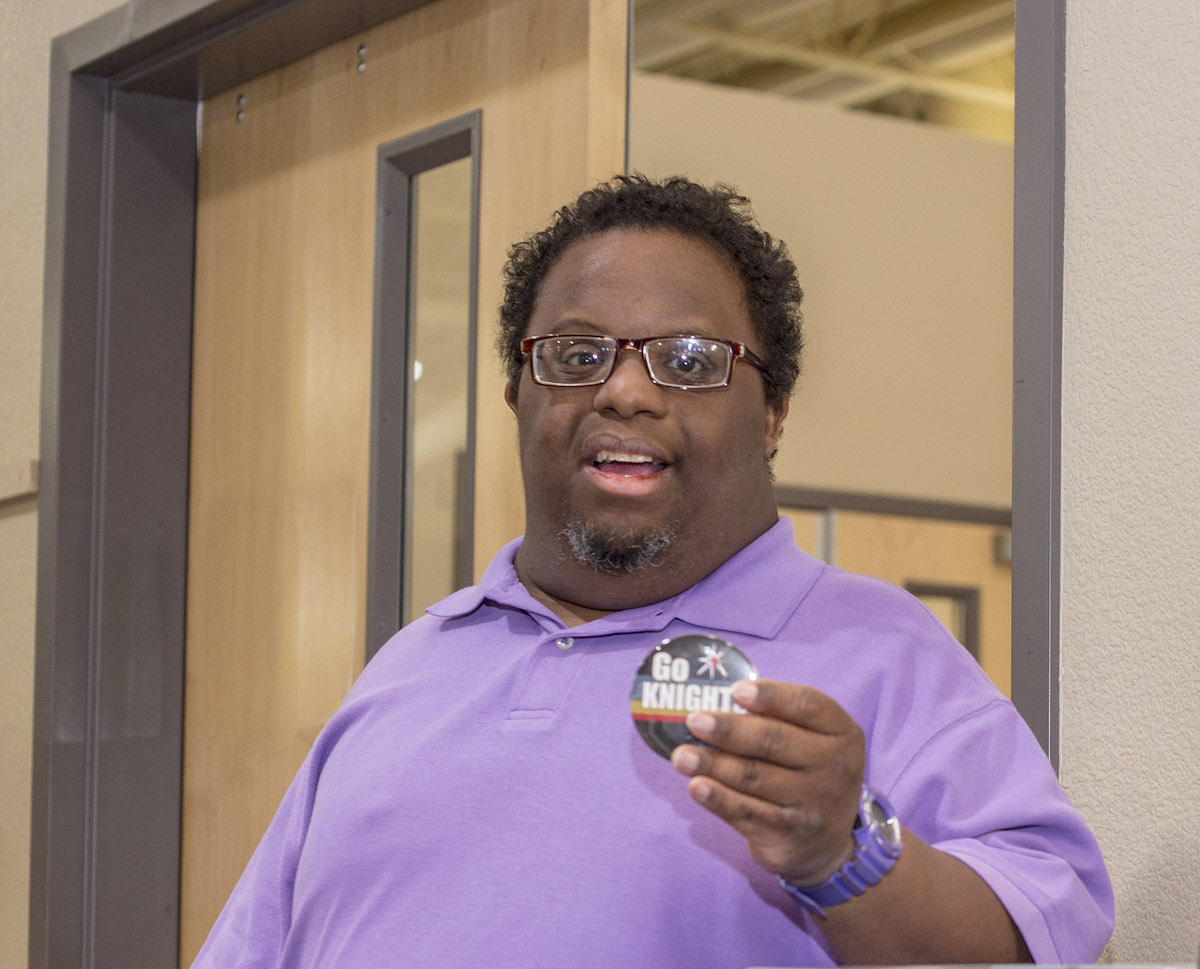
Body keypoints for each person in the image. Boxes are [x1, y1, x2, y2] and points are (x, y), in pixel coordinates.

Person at [191, 174, 1114, 967]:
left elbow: (1038, 939)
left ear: (773, 413)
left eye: (688, 360)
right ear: (518, 395)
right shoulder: (409, 666)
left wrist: (846, 850)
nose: (625, 390)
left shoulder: (884, 652)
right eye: (578, 354)